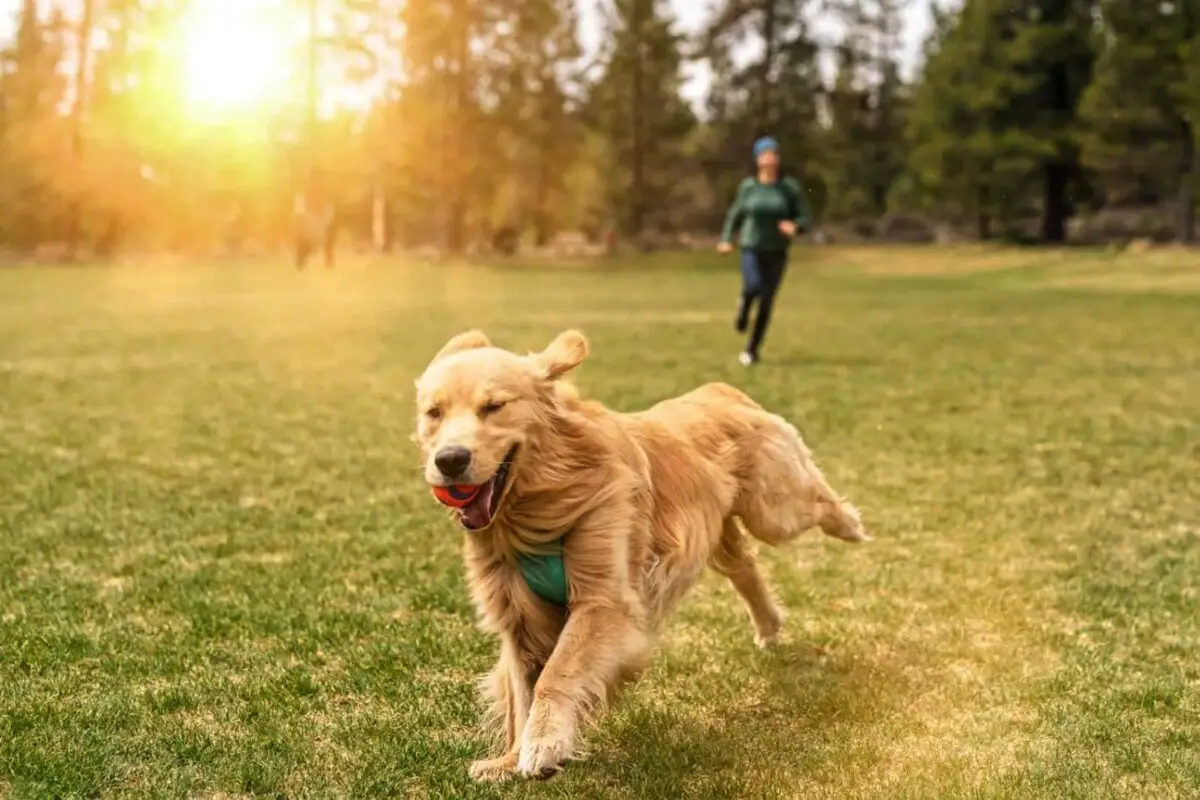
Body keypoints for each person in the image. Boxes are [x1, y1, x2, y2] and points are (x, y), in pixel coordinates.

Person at [717, 136, 811, 366]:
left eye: (774, 154)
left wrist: (795, 227)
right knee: (753, 286)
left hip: (777, 251)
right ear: (757, 159)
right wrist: (727, 239)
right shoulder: (748, 188)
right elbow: (735, 215)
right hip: (752, 247)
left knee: (767, 301)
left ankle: (752, 350)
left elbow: (805, 217)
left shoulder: (789, 188)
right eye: (765, 154)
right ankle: (744, 307)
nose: (770, 159)